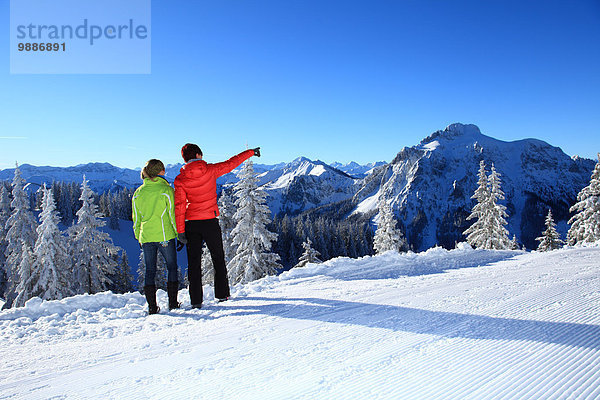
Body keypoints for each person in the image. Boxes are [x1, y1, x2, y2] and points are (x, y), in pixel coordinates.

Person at [174, 144, 260, 308]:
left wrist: (180, 231)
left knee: (193, 263)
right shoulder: (209, 170)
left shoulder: (180, 179)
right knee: (218, 258)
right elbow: (231, 163)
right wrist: (251, 153)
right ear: (198, 155)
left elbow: (179, 206)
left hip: (191, 223)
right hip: (210, 222)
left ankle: (196, 301)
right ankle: (222, 295)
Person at [132, 159, 181, 315]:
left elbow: (136, 218)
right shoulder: (166, 190)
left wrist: (138, 236)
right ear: (160, 172)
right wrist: (178, 233)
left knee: (150, 271)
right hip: (165, 235)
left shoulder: (138, 193)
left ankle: (152, 307)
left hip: (146, 236)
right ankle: (172, 303)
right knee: (171, 267)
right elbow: (172, 215)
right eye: (163, 169)